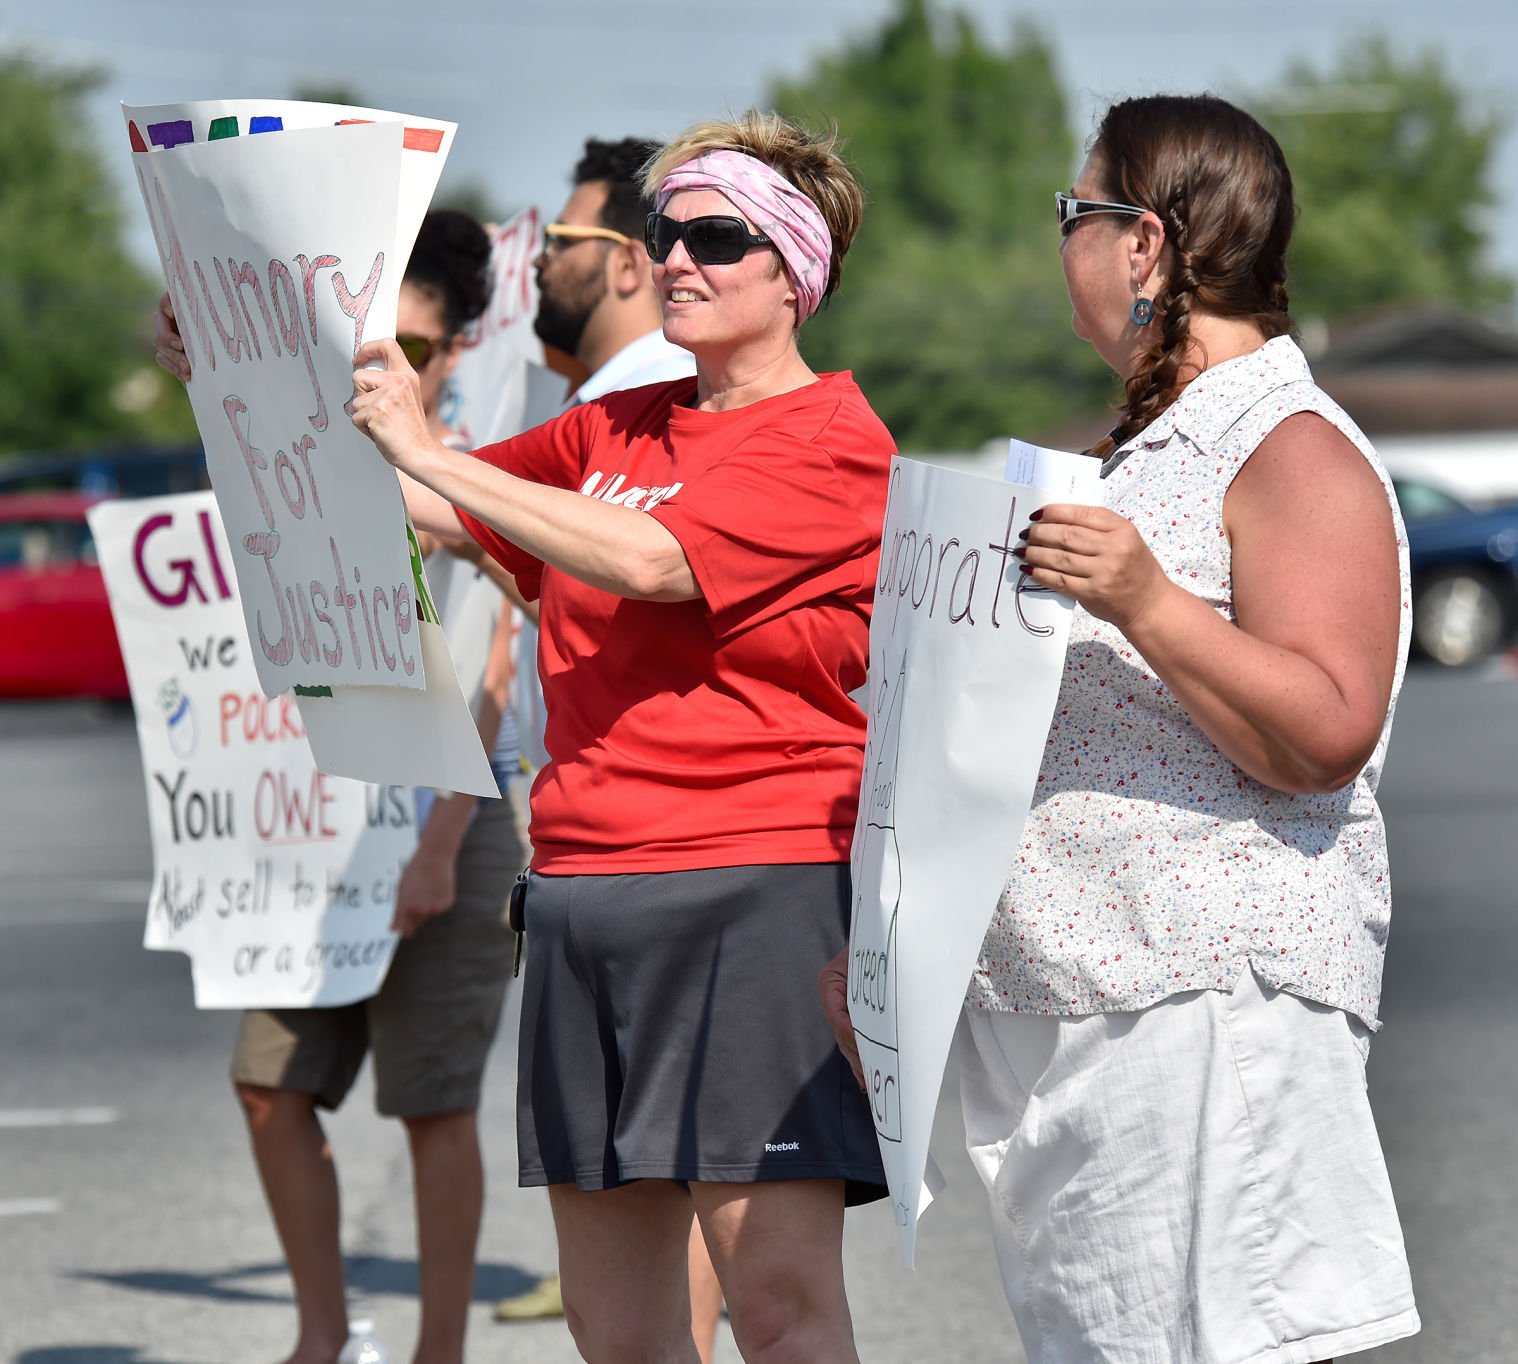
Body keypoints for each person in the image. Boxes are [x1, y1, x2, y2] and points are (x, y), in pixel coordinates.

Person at [825, 93, 1419, 1364]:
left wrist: (1146, 597)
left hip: (1205, 1011)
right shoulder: (1141, 449)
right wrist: (890, 956)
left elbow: (1329, 728)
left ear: (1142, 243)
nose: (1064, 247)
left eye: (1072, 215)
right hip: (1088, 1023)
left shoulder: (1290, 441)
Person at [347, 110, 893, 1364]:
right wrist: (231, 370)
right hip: (586, 891)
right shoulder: (619, 424)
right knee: (615, 1325)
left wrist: (441, 459)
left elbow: (654, 562)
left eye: (715, 236)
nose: (676, 260)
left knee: (777, 1302)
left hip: (752, 891)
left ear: (796, 270)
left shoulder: (837, 439)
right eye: (665, 232)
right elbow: (417, 497)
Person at [158, 209, 528, 1364]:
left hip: (452, 813)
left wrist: (438, 840)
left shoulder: (493, 454)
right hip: (315, 813)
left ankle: (439, 1352)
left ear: (459, 347)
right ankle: (323, 1338)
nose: (381, 371)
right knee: (270, 1081)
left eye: (410, 351)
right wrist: (209, 366)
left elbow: (500, 655)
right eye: (364, 347)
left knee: (433, 1102)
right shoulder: (319, 423)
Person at [491, 136, 731, 1357]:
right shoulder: (596, 413)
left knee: (732, 1253)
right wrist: (242, 375)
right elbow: (441, 506)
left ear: (631, 264)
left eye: (568, 242)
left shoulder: (693, 407)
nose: (542, 262)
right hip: (586, 855)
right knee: (618, 1297)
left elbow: (651, 566)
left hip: (711, 869)